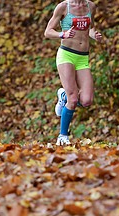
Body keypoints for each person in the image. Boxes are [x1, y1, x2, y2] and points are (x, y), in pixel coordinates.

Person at [44, 0, 102, 145]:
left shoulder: (91, 6)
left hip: (83, 58)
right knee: (73, 98)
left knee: (87, 100)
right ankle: (62, 136)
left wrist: (94, 35)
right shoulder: (64, 7)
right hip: (66, 55)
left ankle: (62, 95)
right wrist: (62, 34)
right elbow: (48, 32)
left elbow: (90, 28)